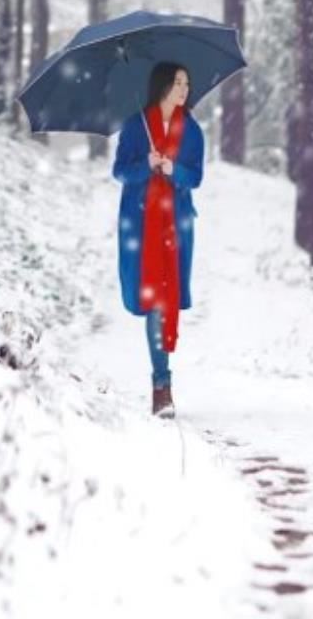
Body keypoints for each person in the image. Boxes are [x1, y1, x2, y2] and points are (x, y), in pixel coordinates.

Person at [111, 60, 204, 417]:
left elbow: (195, 178)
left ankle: (162, 385)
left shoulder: (192, 131)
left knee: (166, 298)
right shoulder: (135, 127)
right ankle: (160, 384)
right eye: (179, 83)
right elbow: (120, 170)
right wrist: (145, 165)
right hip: (141, 222)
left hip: (176, 227)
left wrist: (173, 170)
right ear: (163, 86)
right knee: (154, 300)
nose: (185, 90)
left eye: (187, 84)